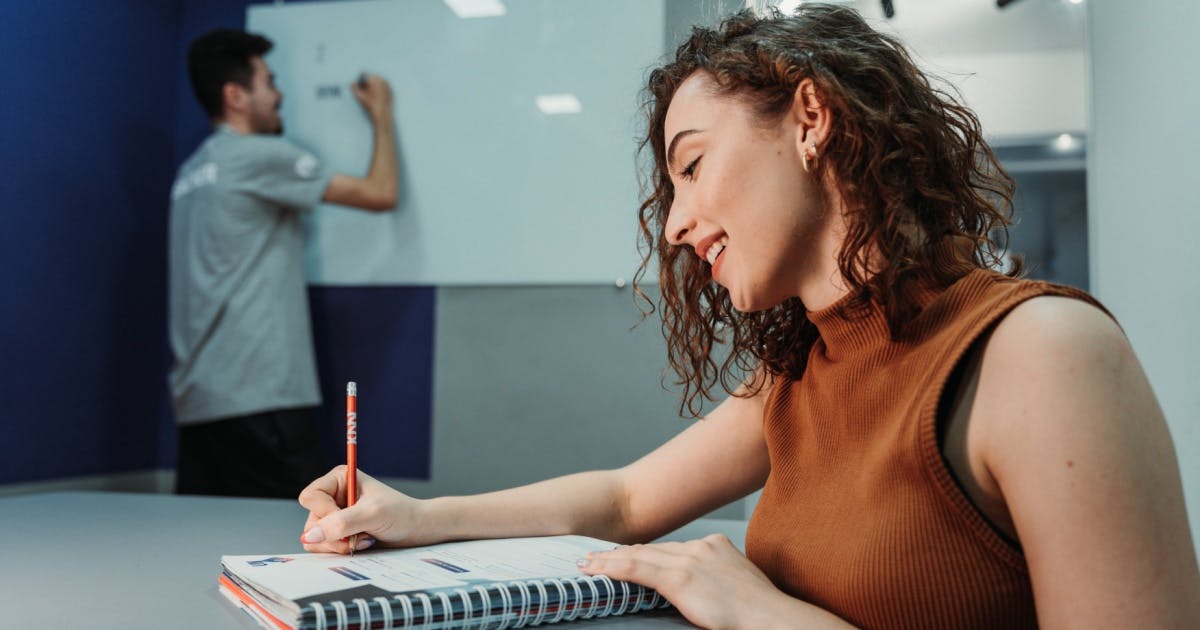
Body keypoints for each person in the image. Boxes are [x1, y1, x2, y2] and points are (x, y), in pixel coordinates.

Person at [295, 5, 1200, 628]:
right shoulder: (803, 368)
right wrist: (414, 518)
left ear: (811, 118)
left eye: (692, 165)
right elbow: (625, 499)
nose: (679, 224)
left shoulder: (1042, 354)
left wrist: (765, 613)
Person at [169, 29, 399, 498]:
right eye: (269, 82)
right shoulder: (257, 156)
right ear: (236, 96)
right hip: (261, 400)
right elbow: (380, 193)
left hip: (201, 404)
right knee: (303, 547)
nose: (280, 95)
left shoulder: (191, 172)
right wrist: (382, 114)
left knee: (205, 547)